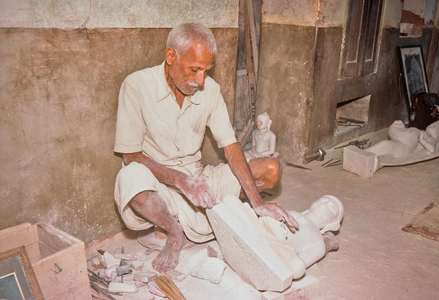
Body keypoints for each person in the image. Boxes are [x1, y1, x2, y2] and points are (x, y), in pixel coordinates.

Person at [113, 22, 298, 274]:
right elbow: (130, 155)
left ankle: (231, 210)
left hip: (200, 178)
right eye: (195, 69)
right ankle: (174, 231)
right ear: (171, 56)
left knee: (271, 169)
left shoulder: (210, 90)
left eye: (206, 70)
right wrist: (181, 181)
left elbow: (231, 147)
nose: (200, 80)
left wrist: (257, 202)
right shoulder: (136, 86)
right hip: (160, 184)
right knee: (131, 179)